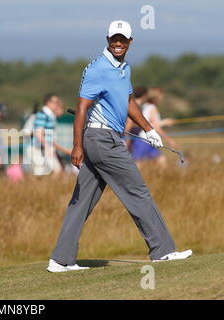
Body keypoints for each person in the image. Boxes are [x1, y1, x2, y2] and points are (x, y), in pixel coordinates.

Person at [47, 21, 192, 273]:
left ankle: (60, 260)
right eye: (114, 39)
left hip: (104, 139)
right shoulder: (97, 68)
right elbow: (81, 108)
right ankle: (163, 251)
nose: (117, 43)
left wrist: (149, 129)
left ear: (130, 42)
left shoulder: (123, 68)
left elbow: (128, 101)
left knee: (82, 201)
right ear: (107, 39)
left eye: (122, 40)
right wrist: (76, 146)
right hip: (102, 141)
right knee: (138, 192)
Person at [131, 87, 179, 168]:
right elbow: (156, 127)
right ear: (157, 97)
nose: (162, 97)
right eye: (161, 95)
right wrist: (169, 140)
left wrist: (164, 122)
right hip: (144, 141)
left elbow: (152, 123)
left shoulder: (147, 106)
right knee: (138, 165)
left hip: (149, 141)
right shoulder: (152, 108)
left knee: (162, 161)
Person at [27, 93, 71, 176]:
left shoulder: (50, 116)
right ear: (48, 102)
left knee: (55, 170)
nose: (57, 104)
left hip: (44, 148)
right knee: (42, 173)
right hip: (38, 148)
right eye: (55, 102)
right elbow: (39, 133)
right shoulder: (43, 115)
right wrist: (48, 148)